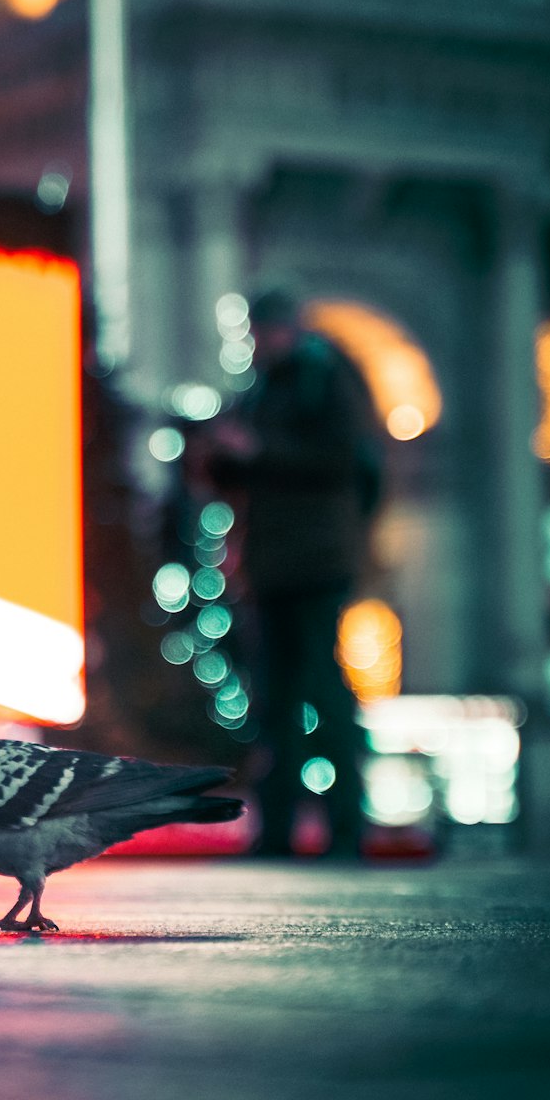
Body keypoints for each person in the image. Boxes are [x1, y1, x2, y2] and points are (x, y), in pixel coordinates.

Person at [202, 287, 383, 858]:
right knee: (274, 700)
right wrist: (221, 455)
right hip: (272, 565)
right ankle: (276, 833)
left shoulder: (323, 379)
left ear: (286, 328)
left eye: (262, 331)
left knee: (322, 693)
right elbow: (245, 473)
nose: (257, 342)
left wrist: (257, 449)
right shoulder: (263, 389)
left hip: (316, 562)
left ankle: (346, 830)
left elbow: (339, 459)